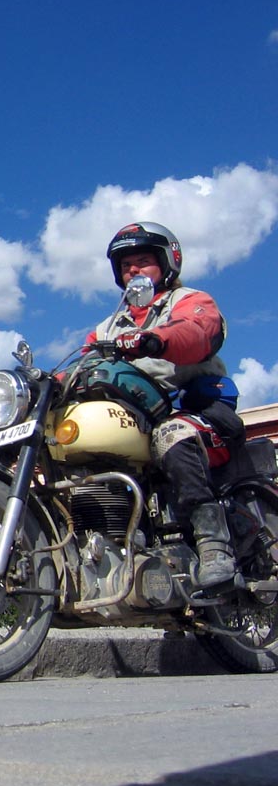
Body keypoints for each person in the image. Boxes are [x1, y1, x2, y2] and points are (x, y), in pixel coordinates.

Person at [89, 221, 244, 588]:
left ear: (167, 262)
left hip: (195, 411)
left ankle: (213, 545)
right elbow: (85, 362)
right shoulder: (107, 327)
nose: (133, 270)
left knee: (171, 434)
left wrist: (155, 340)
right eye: (126, 265)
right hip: (136, 418)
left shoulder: (190, 301)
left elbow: (197, 332)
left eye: (143, 261)